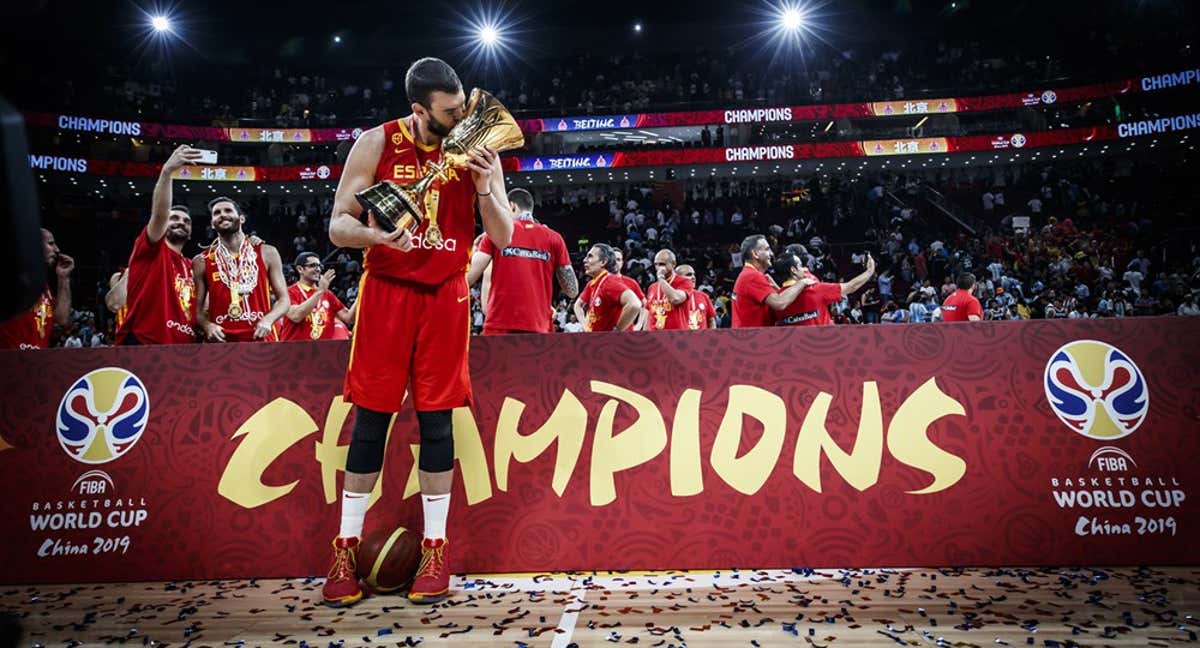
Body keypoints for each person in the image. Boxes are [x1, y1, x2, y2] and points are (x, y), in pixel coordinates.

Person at [323, 57, 513, 607]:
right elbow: (338, 225)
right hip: (387, 293)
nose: (461, 116)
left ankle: (436, 549)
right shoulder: (376, 142)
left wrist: (483, 188)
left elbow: (501, 235)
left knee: (437, 425)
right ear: (419, 109)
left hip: (446, 295)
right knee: (370, 423)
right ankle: (343, 550)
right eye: (450, 111)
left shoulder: (478, 143)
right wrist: (379, 239)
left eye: (462, 107)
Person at [115, 146, 200, 345]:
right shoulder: (151, 249)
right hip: (145, 343)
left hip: (182, 349)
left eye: (187, 221)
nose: (181, 222)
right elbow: (160, 215)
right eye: (175, 218)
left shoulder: (191, 266)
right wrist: (167, 171)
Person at [467, 188, 577, 334]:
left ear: (511, 206)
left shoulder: (494, 234)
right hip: (539, 326)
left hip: (500, 325)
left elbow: (468, 277)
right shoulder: (554, 238)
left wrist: (474, 249)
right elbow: (572, 291)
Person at [193, 197, 290, 342]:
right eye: (217, 213)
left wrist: (268, 320)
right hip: (222, 341)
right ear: (212, 224)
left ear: (242, 219)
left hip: (261, 338)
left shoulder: (267, 252)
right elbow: (198, 311)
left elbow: (284, 300)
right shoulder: (201, 261)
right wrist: (207, 326)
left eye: (228, 210)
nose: (223, 214)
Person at [0, 229, 73, 349]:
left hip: (35, 361)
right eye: (50, 243)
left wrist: (63, 278)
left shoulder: (41, 285)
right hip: (9, 360)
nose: (57, 250)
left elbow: (61, 319)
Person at [731, 234, 813, 328]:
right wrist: (802, 282)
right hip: (753, 339)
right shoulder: (752, 276)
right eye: (767, 249)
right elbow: (779, 304)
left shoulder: (747, 274)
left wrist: (776, 289)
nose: (771, 254)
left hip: (748, 337)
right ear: (755, 254)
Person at [772, 253, 875, 326]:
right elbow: (851, 286)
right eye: (800, 265)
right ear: (793, 270)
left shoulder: (775, 299)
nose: (803, 269)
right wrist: (870, 271)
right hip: (823, 348)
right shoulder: (815, 289)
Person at [278, 253, 354, 341]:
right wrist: (320, 291)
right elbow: (296, 316)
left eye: (319, 266)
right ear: (300, 269)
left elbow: (349, 317)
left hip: (321, 351)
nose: (318, 269)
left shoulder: (328, 294)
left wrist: (362, 292)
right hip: (294, 351)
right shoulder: (289, 292)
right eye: (313, 265)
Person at [574, 243, 642, 332]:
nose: (584, 260)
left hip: (610, 343)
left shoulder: (610, 282)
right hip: (597, 340)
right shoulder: (594, 283)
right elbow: (577, 305)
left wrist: (617, 331)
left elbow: (634, 304)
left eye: (590, 256)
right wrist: (585, 326)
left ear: (603, 262)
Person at [643, 249, 692, 331]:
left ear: (673, 264)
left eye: (662, 264)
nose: (658, 268)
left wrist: (661, 278)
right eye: (656, 264)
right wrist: (645, 334)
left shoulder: (684, 282)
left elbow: (675, 299)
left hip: (676, 336)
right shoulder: (652, 287)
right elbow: (648, 313)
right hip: (654, 337)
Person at [611, 248, 645, 331]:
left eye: (618, 260)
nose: (615, 262)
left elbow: (645, 304)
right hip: (603, 332)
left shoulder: (631, 282)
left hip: (626, 333)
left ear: (622, 263)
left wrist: (639, 324)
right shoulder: (599, 282)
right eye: (613, 259)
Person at [674, 264, 716, 330]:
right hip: (680, 338)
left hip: (701, 339)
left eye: (694, 274)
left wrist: (711, 338)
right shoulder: (672, 297)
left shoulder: (704, 296)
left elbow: (711, 320)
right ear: (677, 278)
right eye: (688, 275)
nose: (693, 277)